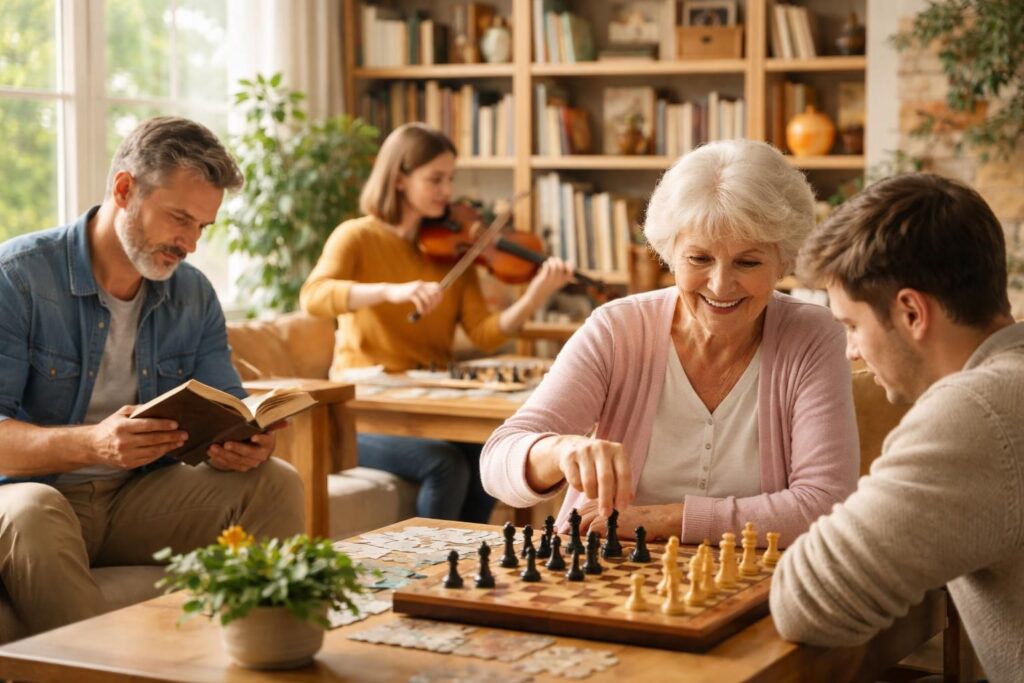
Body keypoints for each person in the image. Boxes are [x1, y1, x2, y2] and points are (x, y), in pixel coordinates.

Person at [0, 116, 305, 639]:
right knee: (33, 509)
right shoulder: (19, 277)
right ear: (124, 190)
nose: (189, 243)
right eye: (179, 218)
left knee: (276, 483)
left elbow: (228, 404)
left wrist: (240, 443)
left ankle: (263, 658)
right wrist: (95, 444)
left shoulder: (193, 294)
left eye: (202, 228)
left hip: (135, 498)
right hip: (34, 495)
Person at [481, 139, 860, 544]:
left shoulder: (813, 336)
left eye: (748, 262)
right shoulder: (617, 329)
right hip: (605, 575)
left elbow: (824, 503)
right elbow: (497, 462)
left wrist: (661, 520)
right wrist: (558, 450)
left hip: (749, 584)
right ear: (670, 252)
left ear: (783, 261)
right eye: (699, 259)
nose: (720, 285)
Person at [770, 173, 1023, 681]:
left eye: (851, 325)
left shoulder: (979, 410)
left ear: (911, 312)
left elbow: (807, 601)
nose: (852, 351)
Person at [300, 122, 574, 522]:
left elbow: (485, 333)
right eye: (435, 179)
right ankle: (431, 568)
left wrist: (534, 296)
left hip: (421, 401)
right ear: (399, 179)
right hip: (363, 409)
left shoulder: (451, 255)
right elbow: (314, 297)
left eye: (450, 179)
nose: (447, 191)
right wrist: (389, 291)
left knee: (486, 460)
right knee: (445, 464)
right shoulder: (356, 237)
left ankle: (466, 570)